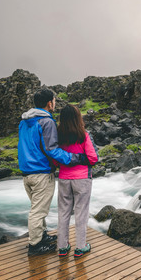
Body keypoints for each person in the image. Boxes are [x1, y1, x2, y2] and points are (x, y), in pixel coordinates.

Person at [18, 88, 86, 256]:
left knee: (37, 207)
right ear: (49, 103)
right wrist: (76, 158)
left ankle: (41, 236)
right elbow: (52, 150)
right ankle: (35, 246)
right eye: (54, 101)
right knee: (38, 211)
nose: (55, 103)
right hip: (41, 172)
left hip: (27, 172)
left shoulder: (24, 121)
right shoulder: (46, 122)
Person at [55, 104, 98, 258]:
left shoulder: (58, 136)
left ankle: (63, 247)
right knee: (81, 213)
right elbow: (93, 158)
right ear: (78, 117)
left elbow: (55, 159)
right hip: (82, 179)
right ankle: (80, 247)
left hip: (64, 179)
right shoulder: (83, 135)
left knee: (63, 212)